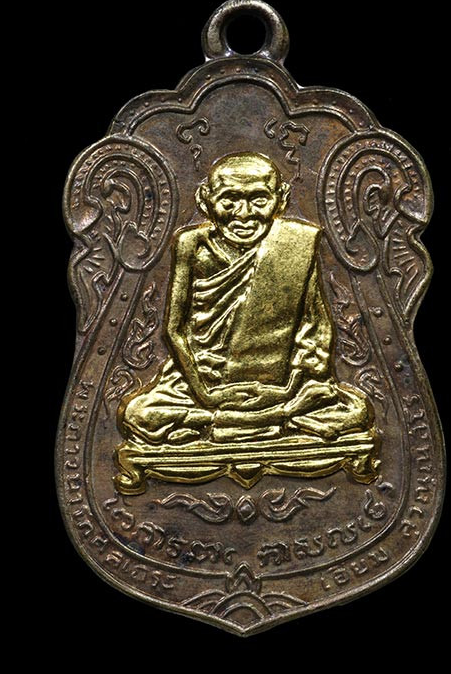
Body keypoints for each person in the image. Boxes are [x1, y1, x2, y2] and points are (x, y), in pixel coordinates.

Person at [115, 152, 377, 490]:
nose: (243, 214)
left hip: (282, 387)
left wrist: (289, 388)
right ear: (205, 200)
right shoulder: (191, 244)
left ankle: (235, 422)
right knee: (138, 413)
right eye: (230, 200)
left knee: (357, 411)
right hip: (201, 384)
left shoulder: (295, 245)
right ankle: (266, 420)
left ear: (280, 200)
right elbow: (174, 330)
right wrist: (208, 395)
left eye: (258, 200)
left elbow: (317, 327)